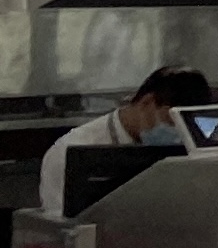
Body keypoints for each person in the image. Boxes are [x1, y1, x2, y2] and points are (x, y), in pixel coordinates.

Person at [34, 66, 200, 215]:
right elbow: (64, 228)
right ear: (146, 103)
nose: (178, 133)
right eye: (171, 121)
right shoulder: (70, 150)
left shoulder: (186, 146)